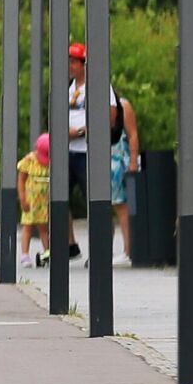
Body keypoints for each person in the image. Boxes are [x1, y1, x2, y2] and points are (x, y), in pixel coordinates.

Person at [62, 43, 120, 263]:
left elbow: (110, 118)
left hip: (90, 152)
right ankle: (70, 244)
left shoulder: (100, 87)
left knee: (97, 202)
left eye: (74, 62)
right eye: (69, 62)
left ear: (84, 64)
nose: (70, 66)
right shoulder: (68, 88)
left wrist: (82, 131)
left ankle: (102, 249)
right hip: (69, 151)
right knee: (59, 198)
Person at [111, 93, 142, 265]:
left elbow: (132, 134)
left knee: (122, 206)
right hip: (107, 161)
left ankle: (129, 250)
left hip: (120, 160)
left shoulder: (123, 105)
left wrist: (132, 162)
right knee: (113, 206)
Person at [18, 132, 52, 268]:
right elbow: (21, 180)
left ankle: (47, 252)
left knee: (44, 228)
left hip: (44, 201)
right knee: (28, 227)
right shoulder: (29, 161)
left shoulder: (50, 163)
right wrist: (22, 198)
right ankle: (25, 254)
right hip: (31, 200)